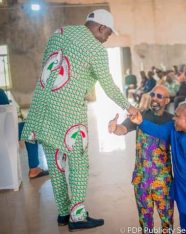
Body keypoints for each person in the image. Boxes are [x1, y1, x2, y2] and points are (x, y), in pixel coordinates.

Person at [20, 9, 138, 231]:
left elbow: (47, 65)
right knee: (79, 163)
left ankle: (64, 213)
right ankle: (78, 216)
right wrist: (129, 107)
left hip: (42, 108)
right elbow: (108, 85)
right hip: (69, 112)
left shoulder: (59, 33)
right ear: (100, 27)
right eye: (108, 34)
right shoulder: (96, 50)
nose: (107, 39)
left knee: (55, 164)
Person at [129, 103, 186, 233]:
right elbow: (158, 130)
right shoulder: (174, 130)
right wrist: (140, 122)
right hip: (182, 198)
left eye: (177, 116)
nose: (173, 118)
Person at [108, 85, 174, 233]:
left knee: (167, 222)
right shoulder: (140, 114)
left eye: (159, 96)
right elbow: (123, 129)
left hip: (163, 182)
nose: (155, 98)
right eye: (153, 94)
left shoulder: (172, 120)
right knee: (145, 222)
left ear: (167, 100)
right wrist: (115, 128)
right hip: (141, 180)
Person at [0, 89, 48, 179]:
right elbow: (6, 114)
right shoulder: (0, 93)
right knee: (29, 128)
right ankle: (34, 168)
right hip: (3, 135)